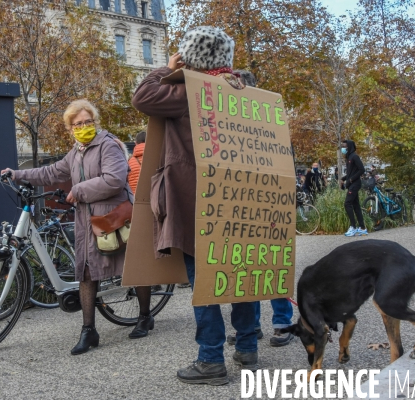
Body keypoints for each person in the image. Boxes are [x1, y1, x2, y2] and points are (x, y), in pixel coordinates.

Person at [132, 26, 257, 385]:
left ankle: (210, 360)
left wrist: (165, 68)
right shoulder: (244, 92)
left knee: (204, 281)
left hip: (196, 204)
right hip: (238, 202)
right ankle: (247, 347)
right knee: (240, 275)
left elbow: (142, 96)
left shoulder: (187, 92)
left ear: (190, 58)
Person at [0, 99, 154, 355]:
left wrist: (79, 189)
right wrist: (17, 174)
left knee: (131, 266)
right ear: (70, 128)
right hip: (87, 220)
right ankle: (88, 330)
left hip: (114, 218)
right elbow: (50, 173)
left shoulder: (108, 145)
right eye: (78, 124)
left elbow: (115, 180)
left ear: (95, 121)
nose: (84, 127)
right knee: (85, 272)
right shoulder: (76, 152)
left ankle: (145, 316)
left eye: (88, 121)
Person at [222, 69, 293, 349]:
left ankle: (282, 323)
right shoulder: (228, 124)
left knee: (274, 266)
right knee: (243, 269)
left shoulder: (271, 123)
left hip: (269, 208)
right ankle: (251, 326)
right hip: (239, 209)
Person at [340, 140, 367, 237]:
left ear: (349, 146)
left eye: (344, 146)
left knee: (347, 203)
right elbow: (351, 172)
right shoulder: (349, 158)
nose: (342, 148)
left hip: (355, 184)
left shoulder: (354, 156)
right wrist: (344, 178)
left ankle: (353, 227)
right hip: (351, 184)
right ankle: (362, 228)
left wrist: (351, 180)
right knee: (356, 205)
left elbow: (362, 170)